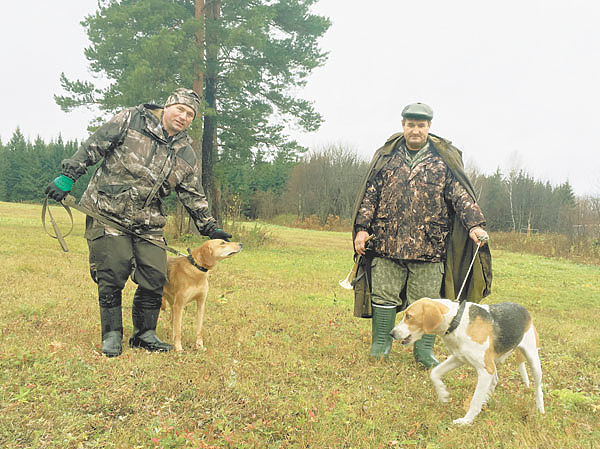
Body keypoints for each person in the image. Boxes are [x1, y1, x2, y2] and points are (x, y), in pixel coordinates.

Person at [45, 88, 231, 357]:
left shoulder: (185, 152)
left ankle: (144, 334)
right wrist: (68, 176)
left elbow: (192, 193)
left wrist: (210, 226)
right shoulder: (131, 119)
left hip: (148, 222)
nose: (184, 116)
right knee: (112, 270)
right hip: (107, 211)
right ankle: (111, 335)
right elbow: (93, 146)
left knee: (156, 273)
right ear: (167, 106)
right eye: (180, 109)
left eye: (190, 114)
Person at [351, 102, 492, 367]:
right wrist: (362, 229)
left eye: (421, 125)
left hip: (429, 247)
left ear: (429, 127)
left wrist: (474, 225)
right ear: (403, 126)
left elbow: (460, 196)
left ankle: (423, 352)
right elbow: (370, 195)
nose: (415, 130)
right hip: (386, 244)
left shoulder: (443, 160)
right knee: (383, 296)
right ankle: (380, 346)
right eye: (410, 125)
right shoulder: (387, 157)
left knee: (425, 302)